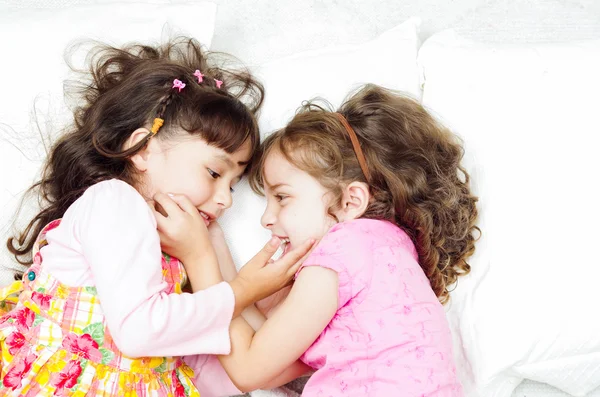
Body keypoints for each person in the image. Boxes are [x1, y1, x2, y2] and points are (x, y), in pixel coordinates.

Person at [0, 37, 311, 397]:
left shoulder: (184, 245)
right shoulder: (115, 201)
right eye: (214, 173)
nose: (224, 200)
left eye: (234, 185)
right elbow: (138, 331)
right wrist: (242, 291)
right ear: (144, 149)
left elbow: (202, 357)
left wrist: (303, 361)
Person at [166, 84, 480, 396]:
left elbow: (249, 371)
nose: (266, 219)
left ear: (350, 201)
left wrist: (199, 258)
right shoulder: (391, 251)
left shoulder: (342, 247)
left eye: (282, 197)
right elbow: (270, 355)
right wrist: (215, 245)